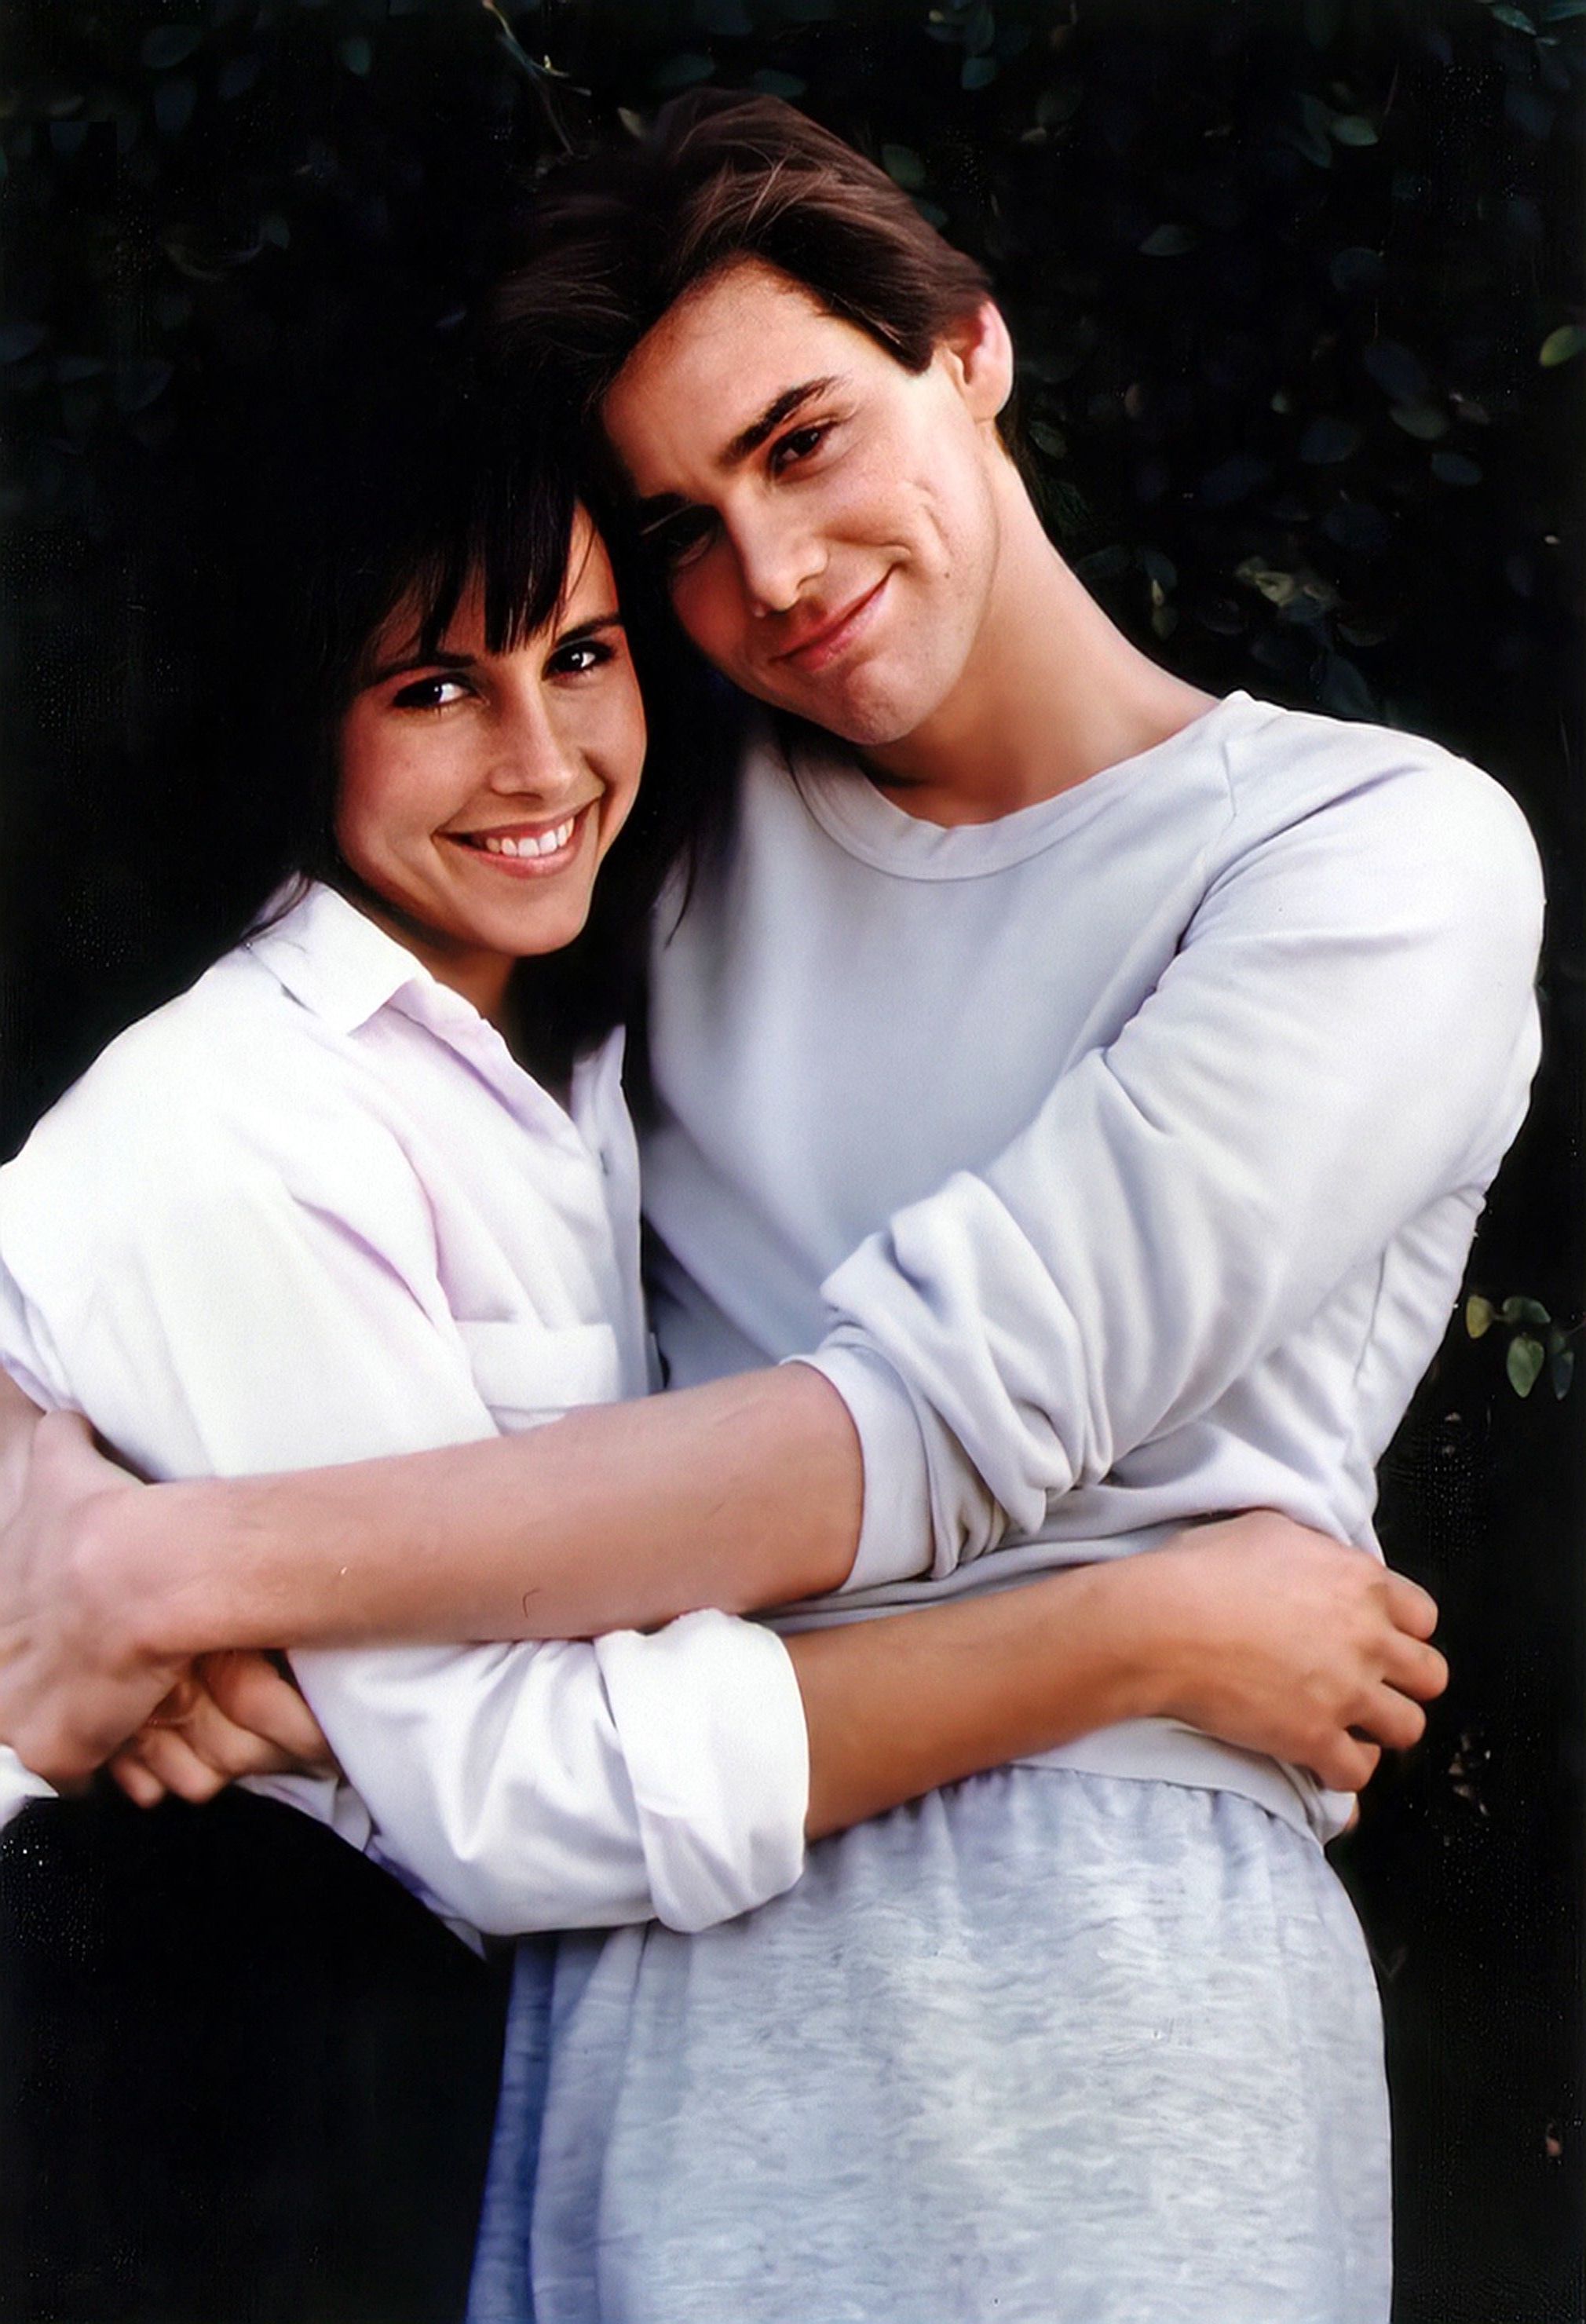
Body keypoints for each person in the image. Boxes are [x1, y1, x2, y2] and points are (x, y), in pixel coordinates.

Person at [0, 93, 1537, 2323]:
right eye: (686, 533)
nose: (779, 574)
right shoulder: (645, 823)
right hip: (639, 1983)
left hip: (1098, 1989)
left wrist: (171, 1570)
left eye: (804, 442)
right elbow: (229, 1131)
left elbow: (925, 1430)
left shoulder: (1360, 854)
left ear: (970, 349)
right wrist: (41, 1476)